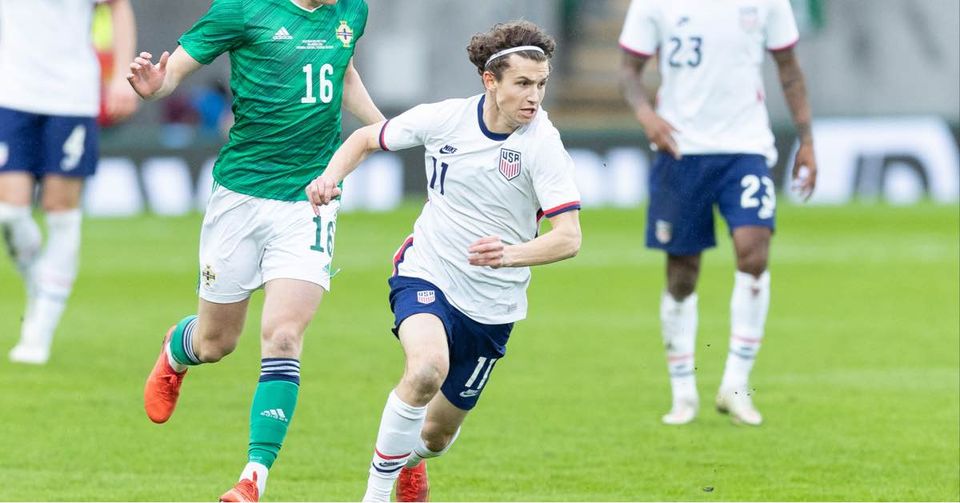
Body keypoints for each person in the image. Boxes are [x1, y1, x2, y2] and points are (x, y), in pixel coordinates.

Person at [306, 20, 582, 502]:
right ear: (490, 80)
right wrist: (331, 178)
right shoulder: (445, 119)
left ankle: (411, 460)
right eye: (522, 83)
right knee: (426, 369)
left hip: (493, 305)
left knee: (436, 436)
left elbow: (569, 238)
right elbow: (364, 138)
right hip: (427, 270)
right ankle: (375, 495)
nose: (534, 97)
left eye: (541, 84)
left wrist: (510, 254)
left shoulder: (543, 144)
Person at [125, 0, 383, 500]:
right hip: (240, 199)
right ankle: (178, 349)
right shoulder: (243, 10)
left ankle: (253, 477)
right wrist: (157, 86)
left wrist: (384, 128)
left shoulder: (352, 10)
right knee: (216, 343)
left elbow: (344, 70)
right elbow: (174, 70)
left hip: (310, 200)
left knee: (284, 335)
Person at [619, 0, 818, 426]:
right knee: (682, 275)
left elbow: (788, 68)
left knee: (754, 254)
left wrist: (806, 140)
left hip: (746, 148)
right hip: (680, 149)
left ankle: (736, 385)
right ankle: (683, 392)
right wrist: (646, 115)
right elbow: (629, 70)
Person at [0, 0, 139, 365]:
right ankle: (42, 284)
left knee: (60, 209)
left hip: (70, 94)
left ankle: (39, 331)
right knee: (9, 212)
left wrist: (120, 76)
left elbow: (118, 6)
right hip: (10, 91)